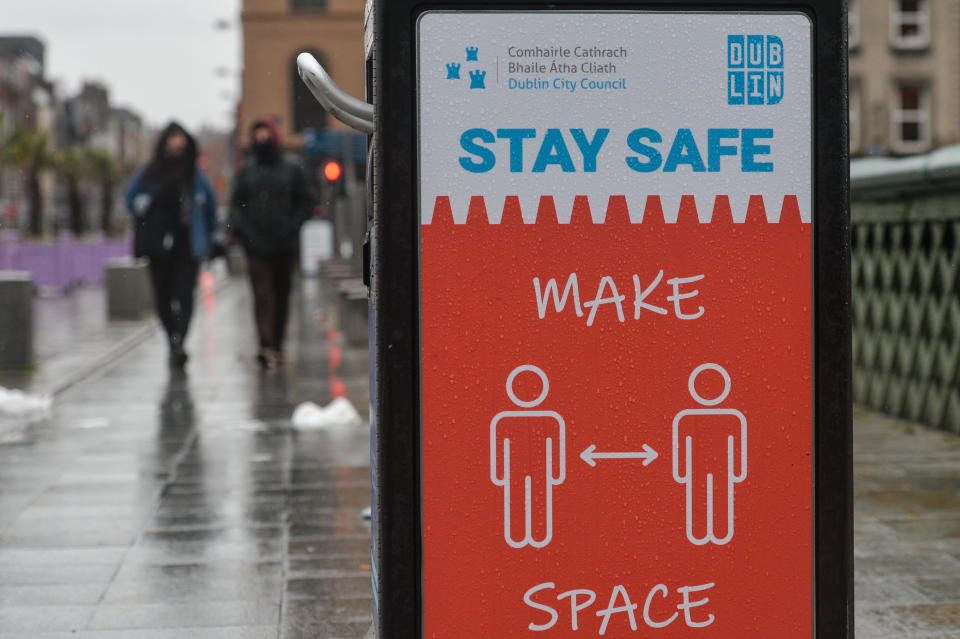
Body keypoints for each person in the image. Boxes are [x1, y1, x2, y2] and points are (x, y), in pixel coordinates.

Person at [125, 122, 219, 370]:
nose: (177, 144)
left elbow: (209, 209)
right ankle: (172, 338)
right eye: (173, 138)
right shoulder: (150, 173)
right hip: (158, 246)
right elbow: (131, 199)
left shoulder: (195, 176)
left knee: (185, 295)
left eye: (181, 139)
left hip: (188, 244)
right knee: (163, 296)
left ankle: (179, 340)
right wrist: (148, 205)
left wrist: (215, 237)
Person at [229, 118, 316, 368]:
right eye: (258, 134)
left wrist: (291, 227)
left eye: (266, 134)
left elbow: (307, 202)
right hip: (255, 246)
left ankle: (277, 343)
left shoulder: (291, 168)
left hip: (283, 246)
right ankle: (265, 344)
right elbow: (236, 204)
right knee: (262, 296)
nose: (262, 139)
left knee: (281, 296)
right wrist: (244, 231)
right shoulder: (247, 170)